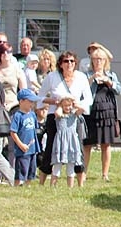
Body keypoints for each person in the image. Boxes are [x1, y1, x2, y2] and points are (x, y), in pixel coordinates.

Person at [38, 50, 93, 185]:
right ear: (60, 64)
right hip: (56, 117)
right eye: (66, 61)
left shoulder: (81, 77)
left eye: (72, 61)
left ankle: (79, 182)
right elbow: (40, 97)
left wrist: (78, 105)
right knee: (51, 146)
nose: (69, 64)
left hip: (74, 117)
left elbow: (89, 99)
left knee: (77, 148)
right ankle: (43, 181)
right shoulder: (52, 77)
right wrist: (55, 102)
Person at [83, 47, 121, 182]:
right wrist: (93, 78)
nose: (98, 61)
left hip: (107, 111)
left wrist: (108, 81)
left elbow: (119, 90)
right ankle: (83, 173)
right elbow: (81, 90)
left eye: (100, 59)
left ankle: (105, 174)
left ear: (105, 61)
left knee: (106, 144)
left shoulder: (111, 74)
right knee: (87, 144)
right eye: (95, 59)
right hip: (90, 111)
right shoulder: (86, 74)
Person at [9, 88, 42, 186]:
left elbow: (34, 130)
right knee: (21, 170)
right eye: (30, 101)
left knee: (31, 170)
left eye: (33, 102)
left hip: (32, 148)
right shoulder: (17, 116)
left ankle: (27, 185)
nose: (32, 104)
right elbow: (13, 132)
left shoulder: (32, 114)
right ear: (21, 101)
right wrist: (21, 145)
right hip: (22, 149)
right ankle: (18, 185)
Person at [51, 96, 85, 187]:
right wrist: (59, 105)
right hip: (61, 142)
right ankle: (53, 185)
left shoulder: (74, 115)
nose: (68, 107)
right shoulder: (60, 115)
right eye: (65, 105)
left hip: (71, 143)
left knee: (71, 166)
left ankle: (70, 186)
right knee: (57, 165)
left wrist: (75, 104)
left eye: (69, 105)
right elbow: (57, 113)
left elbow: (82, 109)